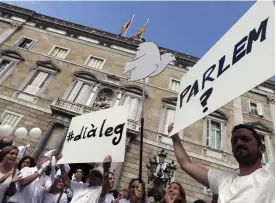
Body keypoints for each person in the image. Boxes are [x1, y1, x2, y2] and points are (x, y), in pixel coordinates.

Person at [168, 123, 275, 203]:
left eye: (245, 139)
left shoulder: (272, 173)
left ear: (262, 148)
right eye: (234, 141)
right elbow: (186, 164)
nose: (239, 143)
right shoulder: (223, 180)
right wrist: (175, 138)